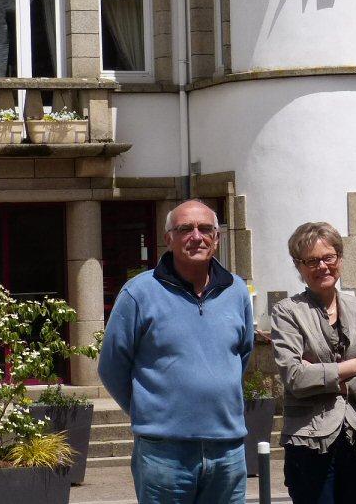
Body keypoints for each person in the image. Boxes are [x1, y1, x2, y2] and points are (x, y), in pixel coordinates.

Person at [98, 200, 254, 504]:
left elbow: (241, 356)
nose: (196, 236)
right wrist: (150, 410)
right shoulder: (139, 293)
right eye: (185, 229)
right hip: (164, 453)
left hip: (227, 449)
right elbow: (112, 366)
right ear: (168, 238)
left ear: (217, 238)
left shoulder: (236, 291)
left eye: (205, 228)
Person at [270, 222, 356, 504]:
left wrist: (321, 375)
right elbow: (295, 378)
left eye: (329, 257)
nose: (322, 266)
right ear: (299, 267)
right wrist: (352, 366)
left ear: (340, 259)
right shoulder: (287, 312)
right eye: (311, 261)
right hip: (308, 442)